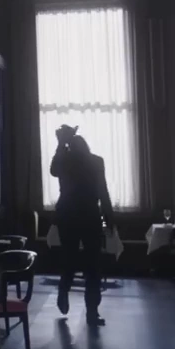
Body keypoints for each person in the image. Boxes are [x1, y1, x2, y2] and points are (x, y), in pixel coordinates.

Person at [50, 125, 114, 325]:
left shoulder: (65, 160)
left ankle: (63, 290)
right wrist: (109, 218)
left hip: (67, 215)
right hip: (90, 215)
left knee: (69, 259)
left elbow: (53, 170)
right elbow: (103, 191)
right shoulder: (96, 161)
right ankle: (92, 312)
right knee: (93, 265)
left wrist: (61, 143)